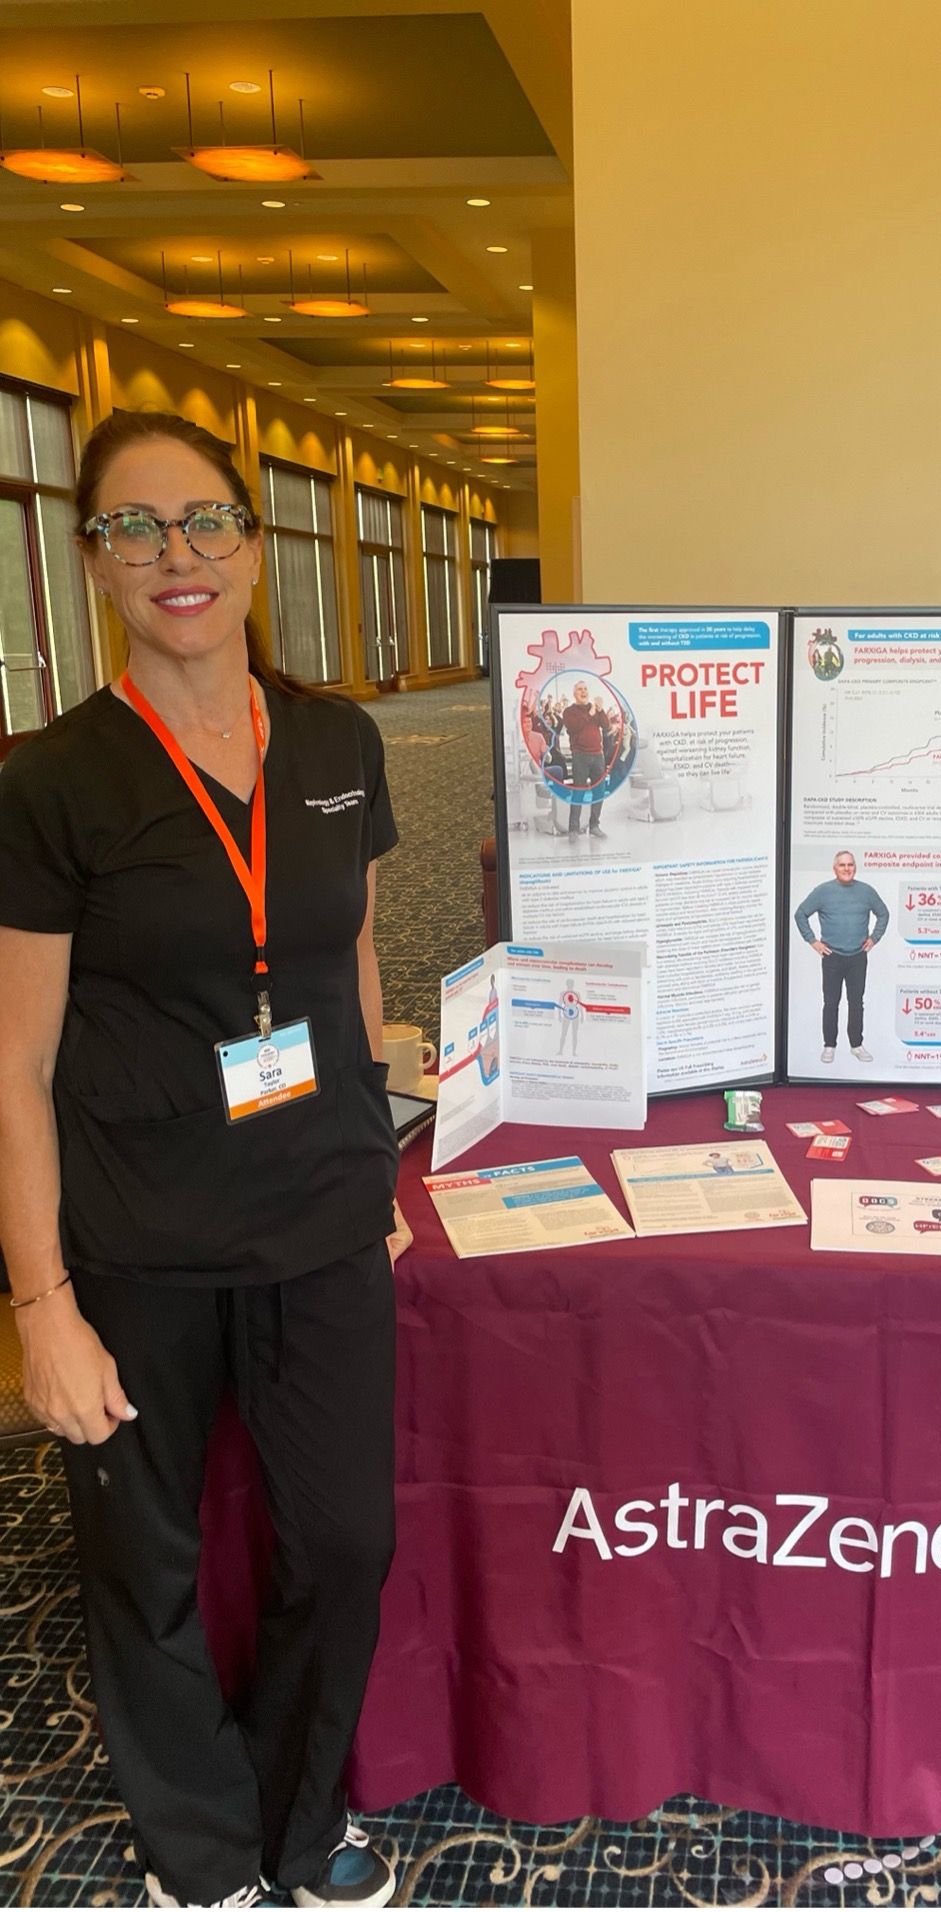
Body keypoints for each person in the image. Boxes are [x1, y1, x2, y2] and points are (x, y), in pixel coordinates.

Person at [0, 411, 409, 1910]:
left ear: (252, 542)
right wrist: (39, 1303)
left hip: (316, 1214)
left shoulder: (337, 743)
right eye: (134, 527)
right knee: (146, 1563)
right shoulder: (52, 781)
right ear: (93, 558)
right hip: (136, 1234)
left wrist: (376, 1161)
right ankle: (200, 1849)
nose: (178, 556)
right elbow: (12, 1064)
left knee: (343, 1541)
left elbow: (351, 968)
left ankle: (301, 1828)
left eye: (205, 522)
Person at [794, 851, 889, 1064]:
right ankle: (829, 1045)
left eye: (850, 865)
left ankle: (856, 1045)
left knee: (856, 1003)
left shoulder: (866, 892)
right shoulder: (823, 892)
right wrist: (813, 941)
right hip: (832, 957)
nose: (847, 869)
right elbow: (800, 914)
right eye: (842, 865)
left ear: (855, 867)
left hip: (857, 957)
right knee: (831, 1003)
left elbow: (883, 913)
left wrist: (874, 938)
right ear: (834, 868)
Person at [561, 680, 610, 838]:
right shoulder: (569, 712)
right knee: (579, 792)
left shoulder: (595, 709)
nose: (583, 691)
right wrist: (590, 714)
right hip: (580, 756)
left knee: (599, 791)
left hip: (598, 756)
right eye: (580, 689)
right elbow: (574, 727)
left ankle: (594, 825)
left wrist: (600, 711)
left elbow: (606, 726)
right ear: (574, 693)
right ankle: (573, 829)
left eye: (585, 689)